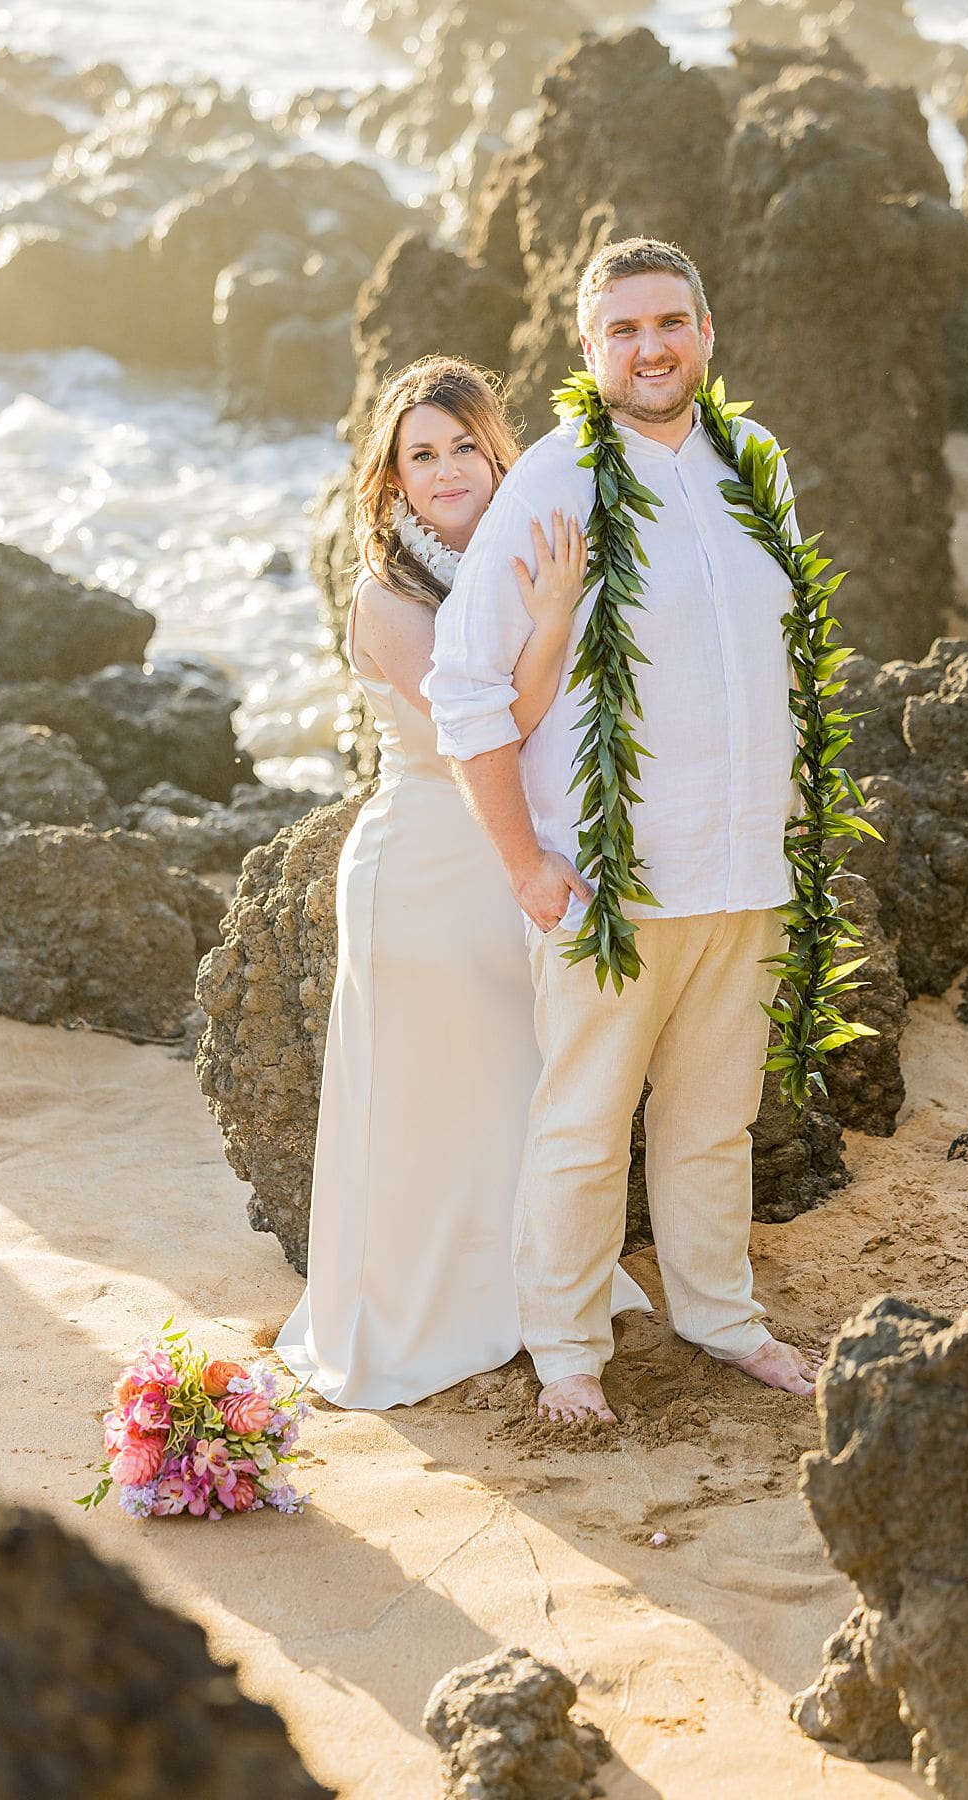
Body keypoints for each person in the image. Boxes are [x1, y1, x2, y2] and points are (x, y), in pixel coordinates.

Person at [423, 240, 825, 1424]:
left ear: (707, 332)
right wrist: (526, 866)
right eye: (624, 331)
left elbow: (779, 658)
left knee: (715, 1121)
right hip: (609, 879)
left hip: (746, 862)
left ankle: (719, 1315)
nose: (651, 348)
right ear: (589, 351)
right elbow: (465, 689)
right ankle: (565, 1344)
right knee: (587, 1126)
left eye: (670, 323)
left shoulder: (757, 464)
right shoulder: (551, 484)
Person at [275, 355, 648, 1410]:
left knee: (514, 1098)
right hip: (428, 877)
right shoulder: (390, 597)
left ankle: (525, 1299)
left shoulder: (520, 554)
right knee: (426, 1114)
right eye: (420, 456)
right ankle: (415, 1322)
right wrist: (559, 614)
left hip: (511, 869)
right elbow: (498, 725)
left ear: (499, 453)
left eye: (463, 448)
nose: (446, 471)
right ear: (392, 481)